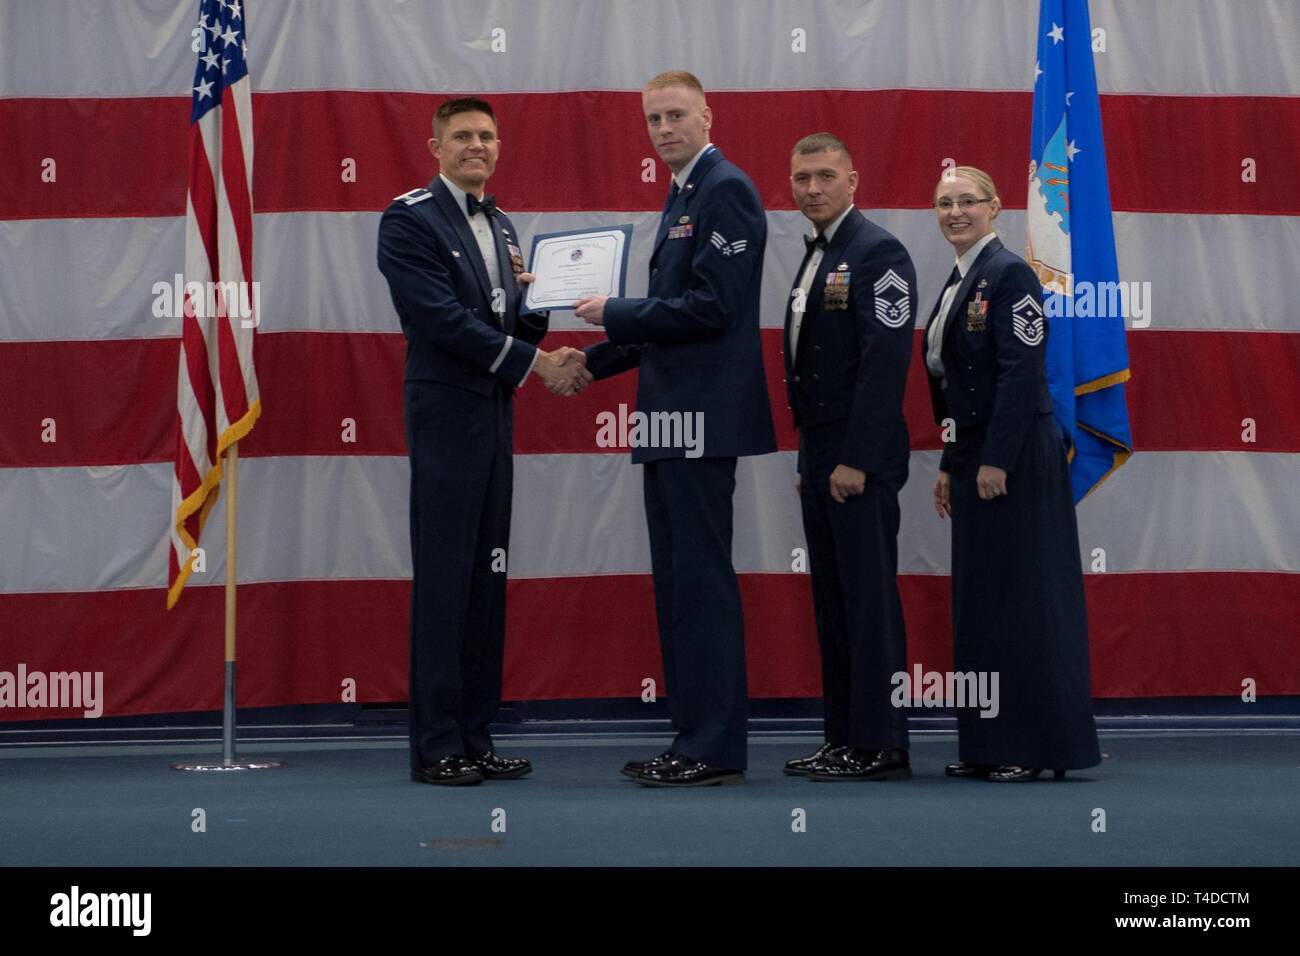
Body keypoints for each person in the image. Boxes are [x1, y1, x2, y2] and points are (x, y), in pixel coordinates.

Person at [377, 96, 590, 787]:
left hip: (496, 416)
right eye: (463, 135)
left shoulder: (501, 224)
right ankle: (437, 745)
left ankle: (475, 735)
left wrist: (537, 309)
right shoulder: (407, 219)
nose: (477, 146)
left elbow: (504, 322)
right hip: (446, 418)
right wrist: (536, 364)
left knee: (486, 582)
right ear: (434, 145)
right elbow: (438, 320)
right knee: (445, 582)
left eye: (487, 136)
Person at [574, 71, 776, 787]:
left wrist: (616, 312)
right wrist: (588, 365)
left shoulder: (726, 188)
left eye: (676, 115)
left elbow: (712, 308)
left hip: (701, 422)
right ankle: (692, 738)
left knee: (700, 585)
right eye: (653, 118)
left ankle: (714, 748)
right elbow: (668, 318)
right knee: (678, 585)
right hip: (669, 421)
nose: (663, 128)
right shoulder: (687, 191)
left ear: (707, 115)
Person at [924, 166, 1101, 782]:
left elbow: (1022, 373)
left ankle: (1035, 746)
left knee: (1025, 601)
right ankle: (988, 743)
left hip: (1017, 456)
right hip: (974, 458)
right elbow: (950, 389)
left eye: (966, 201)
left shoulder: (1009, 274)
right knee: (982, 603)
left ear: (995, 207)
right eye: (944, 203)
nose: (954, 212)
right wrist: (951, 461)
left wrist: (996, 458)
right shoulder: (956, 280)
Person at [778, 134, 916, 782]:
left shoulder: (878, 251)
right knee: (833, 603)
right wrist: (814, 453)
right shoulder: (819, 252)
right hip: (823, 450)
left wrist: (856, 457)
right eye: (802, 177)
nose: (811, 188)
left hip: (859, 455)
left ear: (853, 179)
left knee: (867, 602)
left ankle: (882, 742)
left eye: (825, 175)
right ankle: (842, 737)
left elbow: (885, 365)